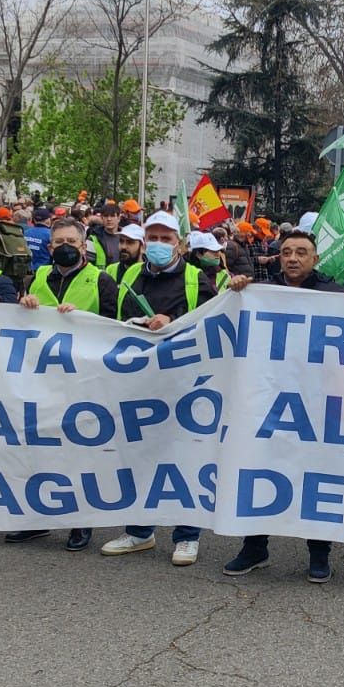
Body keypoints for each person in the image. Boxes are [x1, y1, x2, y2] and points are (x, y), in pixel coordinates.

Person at [222, 228, 344, 582]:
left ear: (315, 259)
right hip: (269, 401)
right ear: (278, 257)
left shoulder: (335, 296)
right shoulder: (260, 293)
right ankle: (254, 547)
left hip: (318, 405)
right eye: (286, 252)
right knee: (260, 468)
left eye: (302, 252)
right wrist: (237, 290)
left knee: (316, 474)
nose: (293, 258)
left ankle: (319, 553)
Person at [108, 211, 242, 568]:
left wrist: (174, 325)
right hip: (140, 382)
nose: (158, 245)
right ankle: (139, 530)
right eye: (152, 238)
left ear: (181, 244)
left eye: (166, 239)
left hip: (188, 383)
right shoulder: (127, 275)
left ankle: (187, 536)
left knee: (187, 456)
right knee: (140, 455)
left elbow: (213, 325)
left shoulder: (198, 279)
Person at [12, 217, 119, 549]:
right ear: (49, 246)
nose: (65, 247)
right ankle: (38, 519)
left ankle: (80, 520)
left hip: (84, 381)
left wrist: (86, 320)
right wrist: (24, 306)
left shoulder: (100, 280)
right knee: (38, 448)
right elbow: (19, 324)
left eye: (72, 241)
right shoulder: (37, 277)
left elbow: (118, 327)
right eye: (59, 242)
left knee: (78, 452)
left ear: (84, 244)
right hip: (42, 380)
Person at [87, 200, 122, 268]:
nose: (109, 219)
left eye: (112, 216)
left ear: (118, 218)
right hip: (100, 277)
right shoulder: (93, 238)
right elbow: (88, 265)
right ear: (102, 218)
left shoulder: (126, 238)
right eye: (106, 216)